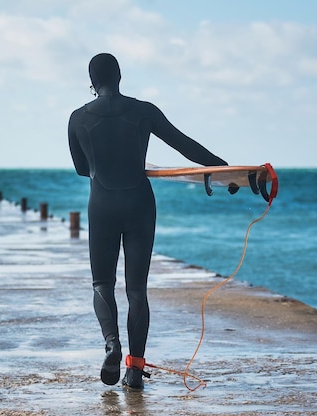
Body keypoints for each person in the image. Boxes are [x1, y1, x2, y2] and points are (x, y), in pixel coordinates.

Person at [68, 53, 228, 389]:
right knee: (137, 290)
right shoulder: (144, 111)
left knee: (102, 285)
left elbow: (83, 169)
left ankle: (112, 344)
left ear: (92, 83)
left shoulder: (77, 119)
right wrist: (222, 167)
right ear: (120, 77)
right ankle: (135, 370)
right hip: (140, 203)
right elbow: (183, 145)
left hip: (102, 204)